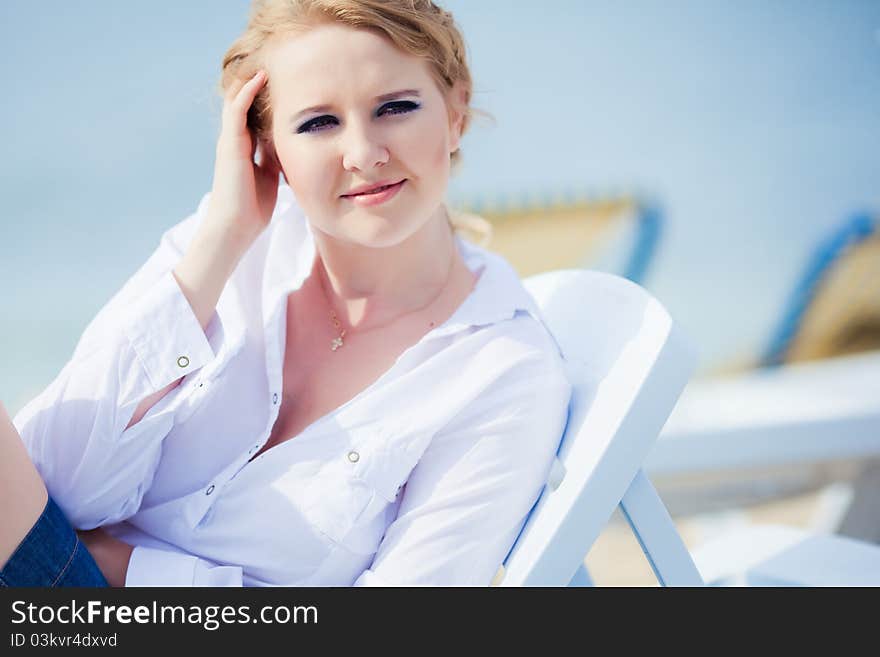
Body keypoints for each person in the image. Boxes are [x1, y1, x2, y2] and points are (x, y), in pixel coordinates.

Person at [0, 0, 571, 587]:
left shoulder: (505, 372)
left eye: (395, 108)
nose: (364, 154)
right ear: (266, 145)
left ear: (457, 110)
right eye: (318, 123)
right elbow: (53, 480)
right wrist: (221, 240)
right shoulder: (227, 252)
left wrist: (128, 571)